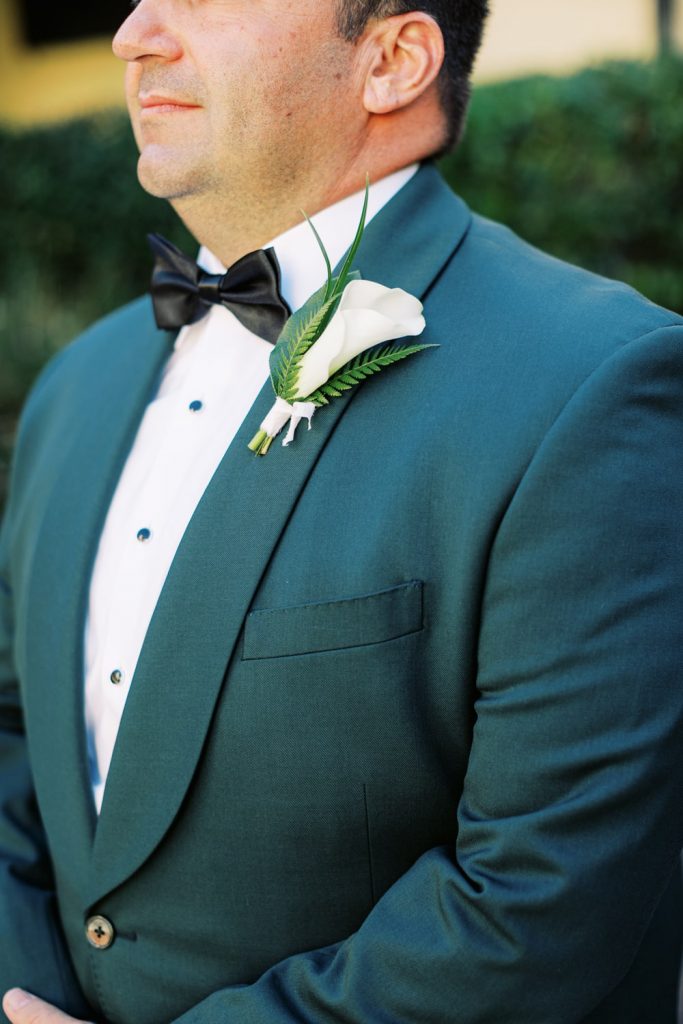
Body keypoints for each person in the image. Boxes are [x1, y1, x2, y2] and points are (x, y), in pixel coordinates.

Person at [1, 1, 682, 1021]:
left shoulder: (594, 384)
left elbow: (537, 904)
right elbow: (13, 733)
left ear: (391, 60)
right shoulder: (74, 388)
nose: (133, 33)